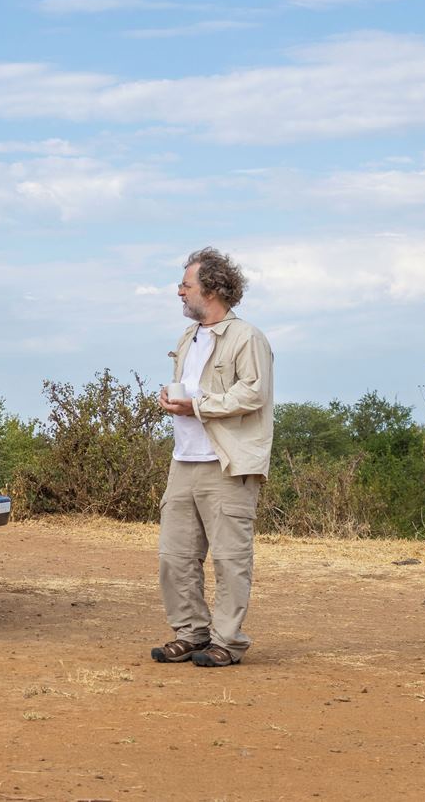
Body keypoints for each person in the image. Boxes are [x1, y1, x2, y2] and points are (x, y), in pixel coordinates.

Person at [152, 247, 274, 668]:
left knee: (229, 559)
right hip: (184, 460)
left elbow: (254, 393)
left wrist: (199, 405)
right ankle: (190, 634)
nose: (179, 292)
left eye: (186, 285)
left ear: (212, 288)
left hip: (226, 462)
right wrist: (171, 395)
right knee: (175, 557)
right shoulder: (189, 338)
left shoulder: (247, 337)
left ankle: (227, 641)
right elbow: (188, 387)